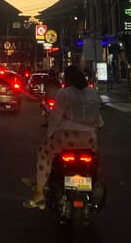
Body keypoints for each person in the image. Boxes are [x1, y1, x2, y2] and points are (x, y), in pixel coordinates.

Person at [23, 64, 104, 209]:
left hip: (65, 138)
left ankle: (39, 191)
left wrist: (50, 134)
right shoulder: (93, 93)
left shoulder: (64, 93)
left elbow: (55, 117)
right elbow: (99, 120)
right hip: (89, 140)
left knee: (44, 154)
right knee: (96, 159)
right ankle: (94, 184)